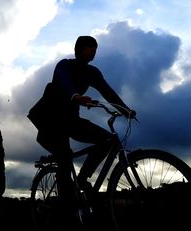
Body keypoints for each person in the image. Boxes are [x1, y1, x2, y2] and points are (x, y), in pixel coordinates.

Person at [28, 35, 136, 217]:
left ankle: (83, 178)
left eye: (95, 47)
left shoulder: (93, 72)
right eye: (89, 46)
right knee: (64, 156)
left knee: (108, 140)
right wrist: (75, 96)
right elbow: (63, 82)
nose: (93, 50)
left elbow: (107, 91)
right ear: (79, 49)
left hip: (71, 121)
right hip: (50, 121)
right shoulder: (64, 65)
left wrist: (126, 110)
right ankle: (65, 209)